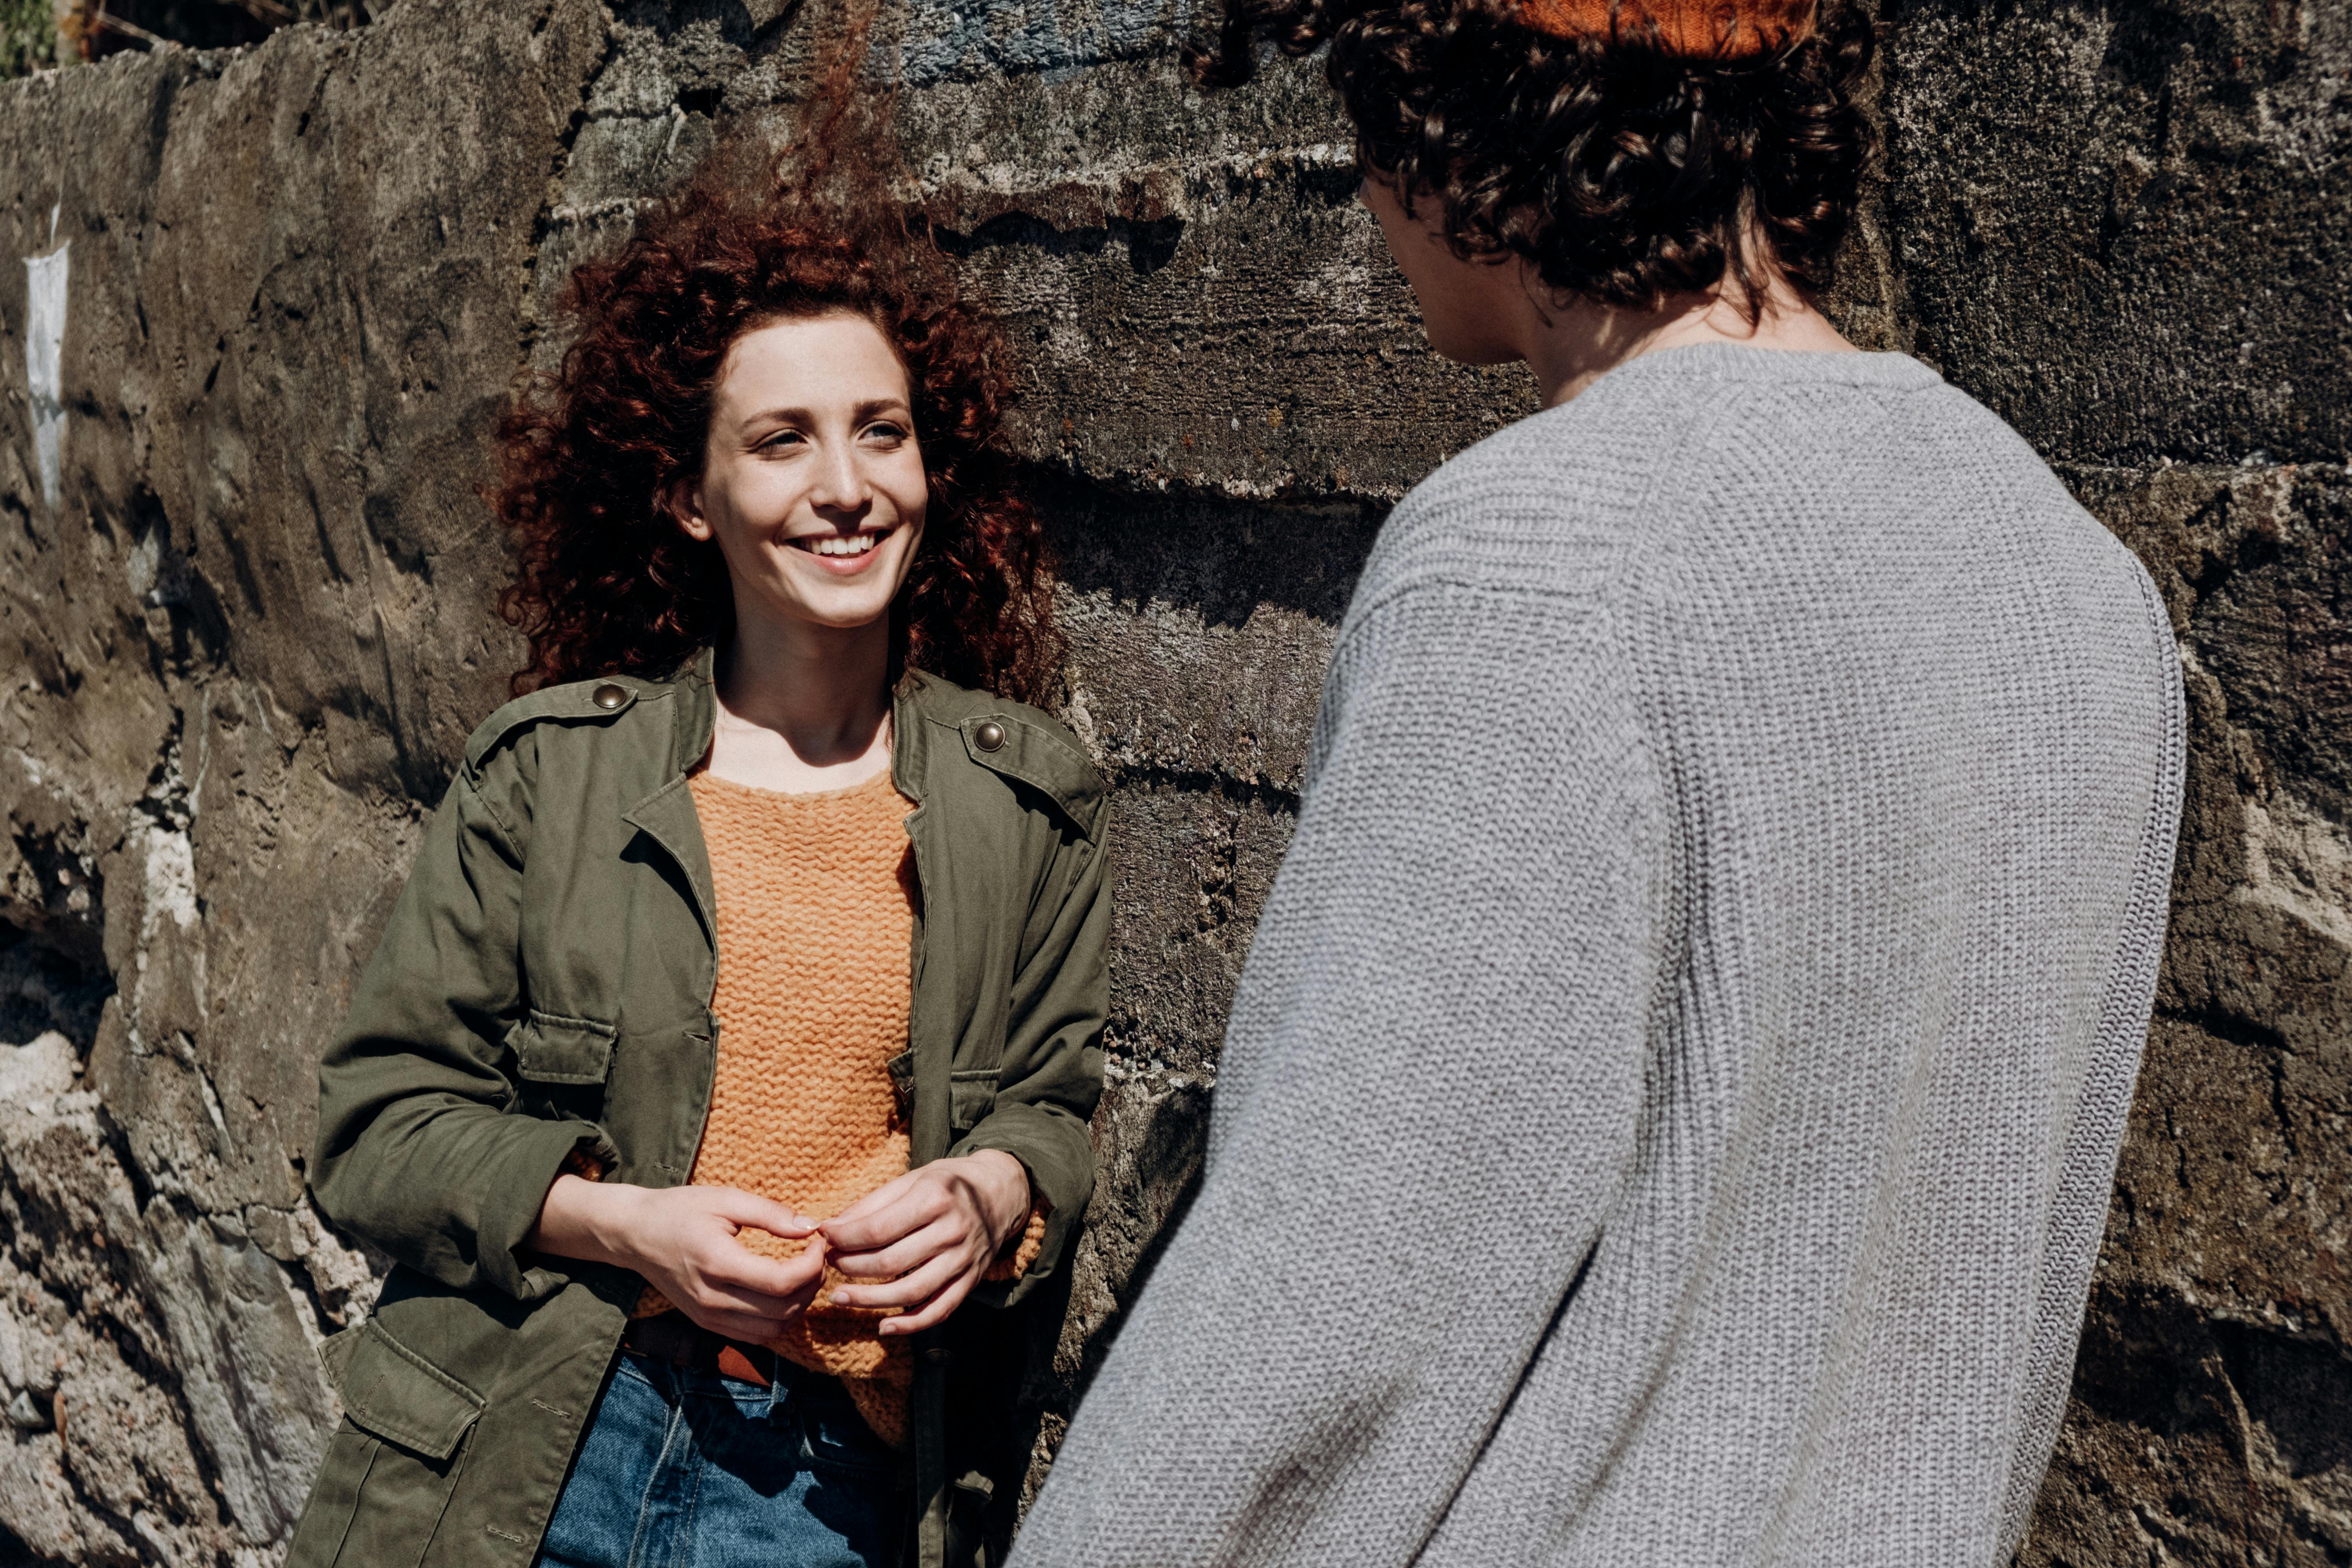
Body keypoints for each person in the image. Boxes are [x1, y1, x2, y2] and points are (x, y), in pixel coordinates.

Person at [1009, 0, 2186, 1563]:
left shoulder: (1535, 558)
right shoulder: (2077, 585)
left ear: (1451, 127)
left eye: (1363, 112)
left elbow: (1325, 1304)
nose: (1360, 192)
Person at [285, 156, 1109, 1568]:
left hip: (816, 1490)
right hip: (525, 1436)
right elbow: (372, 1131)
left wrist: (991, 1198)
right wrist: (630, 1228)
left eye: (882, 433)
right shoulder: (551, 772)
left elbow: (1051, 1108)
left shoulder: (1025, 800)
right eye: (781, 441)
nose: (847, 488)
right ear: (689, 495)